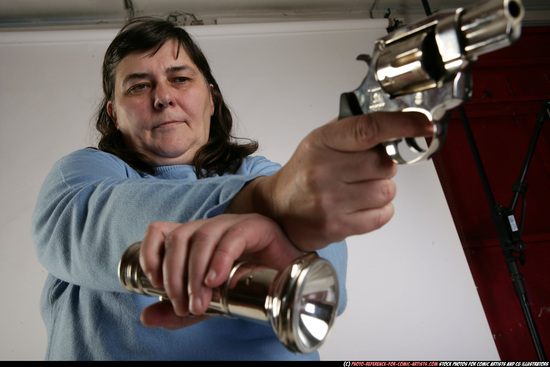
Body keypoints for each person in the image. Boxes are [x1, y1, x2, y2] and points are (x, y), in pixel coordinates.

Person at [32, 17, 432, 361]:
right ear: (113, 114)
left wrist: (274, 202)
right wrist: (262, 205)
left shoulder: (262, 173)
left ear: (210, 96)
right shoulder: (84, 172)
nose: (163, 97)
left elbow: (324, 290)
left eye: (180, 78)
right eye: (138, 86)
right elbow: (89, 225)